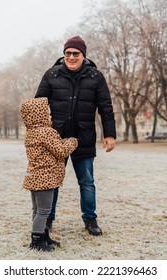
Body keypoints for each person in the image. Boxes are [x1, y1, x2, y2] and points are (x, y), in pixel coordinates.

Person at [35, 35, 116, 236]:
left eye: (75, 53)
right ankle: (46, 220)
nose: (71, 57)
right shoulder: (51, 75)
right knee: (51, 181)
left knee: (87, 182)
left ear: (83, 55)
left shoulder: (96, 76)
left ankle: (90, 219)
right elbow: (38, 105)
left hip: (84, 138)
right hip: (55, 139)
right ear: (64, 55)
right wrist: (38, 135)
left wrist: (110, 134)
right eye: (68, 53)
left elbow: (106, 107)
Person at [20, 97, 78, 251]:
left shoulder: (32, 132)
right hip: (45, 178)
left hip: (33, 177)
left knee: (37, 210)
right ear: (39, 115)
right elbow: (61, 151)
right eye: (47, 113)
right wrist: (72, 141)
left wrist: (61, 141)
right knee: (44, 211)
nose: (50, 115)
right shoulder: (47, 132)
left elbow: (50, 147)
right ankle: (37, 241)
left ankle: (43, 236)